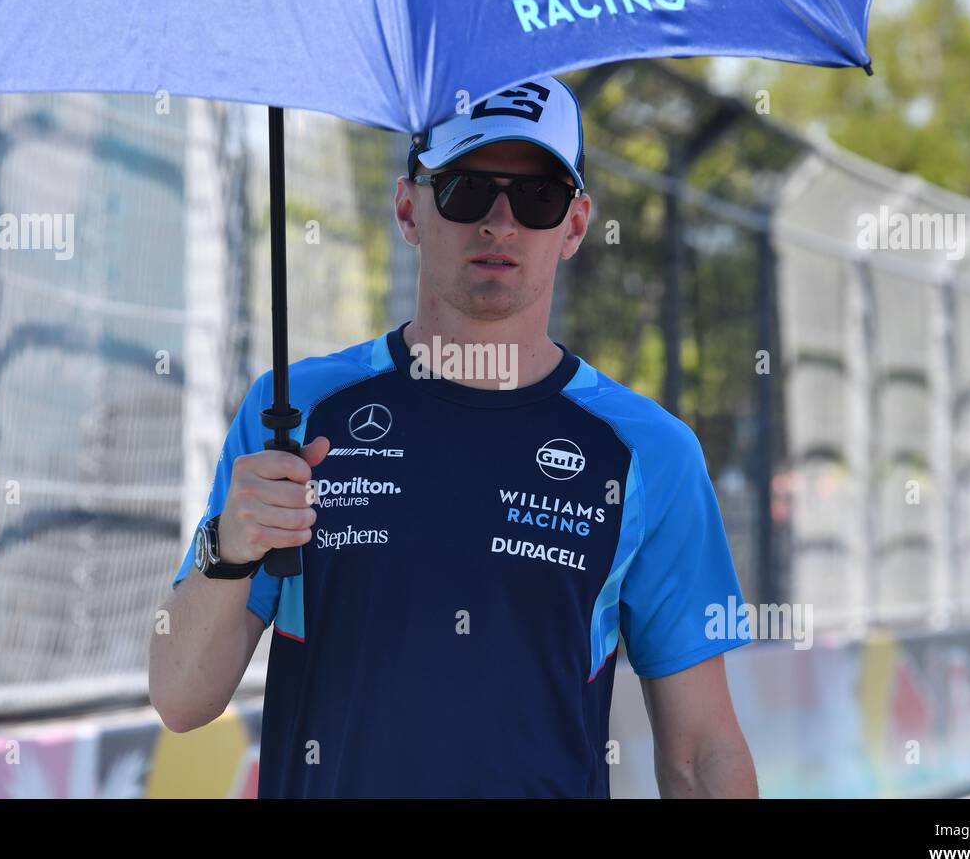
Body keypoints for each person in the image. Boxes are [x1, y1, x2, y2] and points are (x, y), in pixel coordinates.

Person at [149, 75, 757, 798]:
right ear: (409, 208)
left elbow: (700, 751)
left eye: (537, 198)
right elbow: (182, 702)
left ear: (574, 226)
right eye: (466, 189)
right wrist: (230, 548)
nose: (500, 222)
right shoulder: (294, 411)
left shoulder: (649, 451)